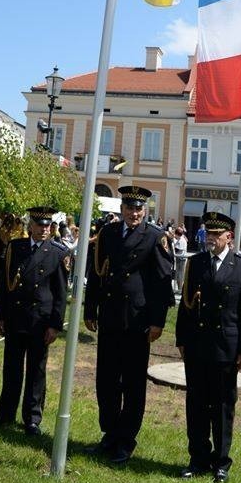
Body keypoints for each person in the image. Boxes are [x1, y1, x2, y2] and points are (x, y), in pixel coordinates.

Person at [84, 185, 174, 465]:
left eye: (138, 209)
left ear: (145, 210)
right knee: (106, 380)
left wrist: (158, 321)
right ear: (121, 209)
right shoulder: (108, 233)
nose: (134, 213)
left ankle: (126, 440)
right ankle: (109, 434)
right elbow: (96, 273)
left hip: (138, 321)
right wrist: (90, 309)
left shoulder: (155, 237)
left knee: (133, 384)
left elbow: (162, 283)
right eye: (129, 208)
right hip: (110, 316)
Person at [176, 210, 241, 483]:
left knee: (223, 407)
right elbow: (185, 306)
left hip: (226, 348)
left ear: (229, 237)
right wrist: (182, 340)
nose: (210, 238)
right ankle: (198, 458)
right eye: (207, 233)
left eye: (215, 234)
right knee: (196, 405)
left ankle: (221, 462)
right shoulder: (196, 263)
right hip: (198, 346)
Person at [0, 205, 69, 434]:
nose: (43, 229)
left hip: (40, 321)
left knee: (36, 371)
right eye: (39, 225)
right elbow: (5, 285)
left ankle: (32, 419)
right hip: (15, 317)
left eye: (47, 226)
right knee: (11, 368)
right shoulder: (16, 247)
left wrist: (55, 325)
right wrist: (0, 315)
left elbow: (61, 294)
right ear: (30, 226)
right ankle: (5, 414)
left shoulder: (58, 252)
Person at [172, 226, 188, 293]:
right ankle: (179, 289)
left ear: (177, 234)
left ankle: (180, 289)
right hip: (179, 258)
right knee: (178, 275)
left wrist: (173, 250)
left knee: (180, 275)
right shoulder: (180, 239)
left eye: (175, 234)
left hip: (181, 259)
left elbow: (178, 249)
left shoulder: (181, 240)